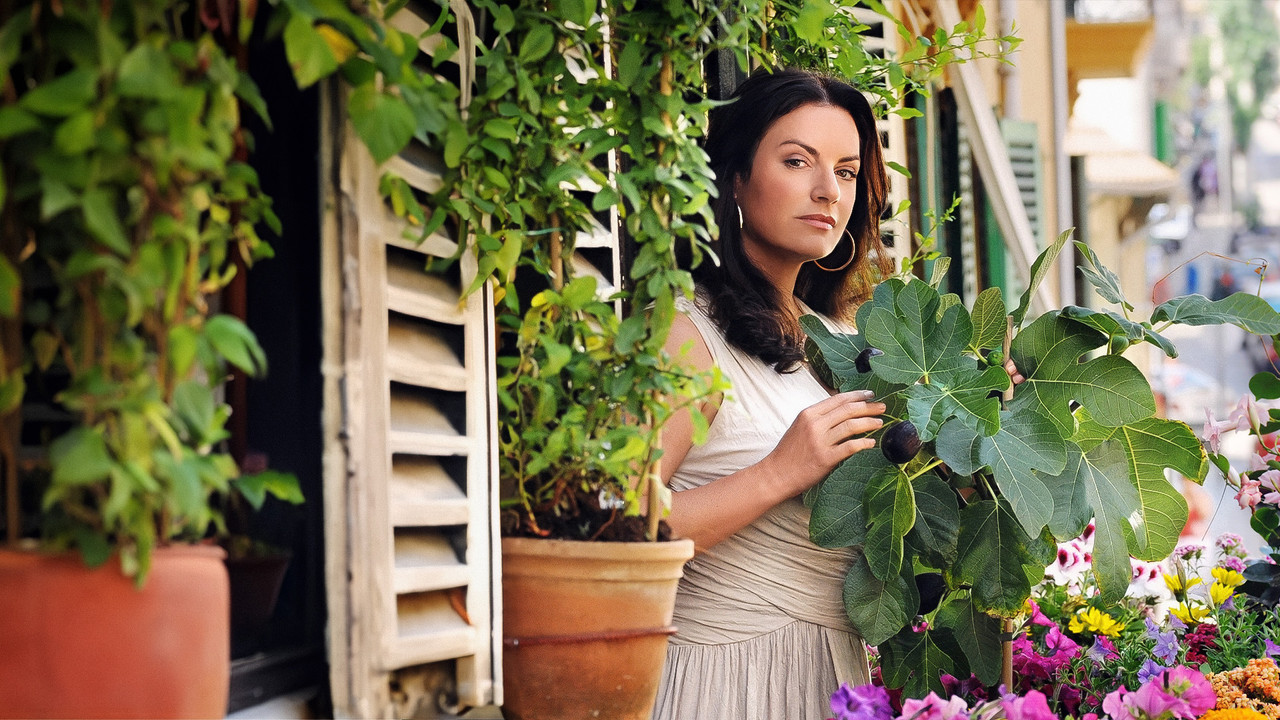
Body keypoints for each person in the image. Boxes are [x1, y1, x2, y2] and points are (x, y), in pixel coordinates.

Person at [653, 68, 1024, 718]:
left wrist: (980, 442)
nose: (828, 190)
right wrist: (777, 473)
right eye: (797, 161)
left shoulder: (843, 342)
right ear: (736, 176)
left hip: (834, 684)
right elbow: (622, 532)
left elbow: (900, 532)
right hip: (723, 684)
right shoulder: (689, 337)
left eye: (848, 172)